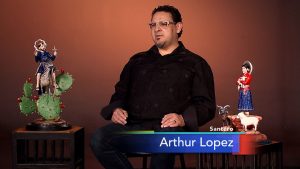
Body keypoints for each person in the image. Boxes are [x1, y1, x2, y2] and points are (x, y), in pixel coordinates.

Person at [91, 5, 216, 169]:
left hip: (170, 131)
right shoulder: (137, 61)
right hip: (135, 129)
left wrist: (182, 118)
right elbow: (119, 94)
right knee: (99, 138)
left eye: (163, 24)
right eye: (153, 25)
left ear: (178, 27)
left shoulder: (195, 63)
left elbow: (206, 106)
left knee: (166, 138)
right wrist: (116, 110)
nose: (157, 29)